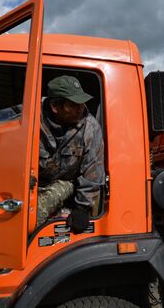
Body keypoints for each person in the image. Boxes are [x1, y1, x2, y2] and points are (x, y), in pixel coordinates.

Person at [37, 75, 105, 233]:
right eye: (74, 104)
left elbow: (93, 171)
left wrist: (82, 207)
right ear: (55, 106)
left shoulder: (90, 128)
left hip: (66, 182)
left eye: (82, 102)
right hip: (32, 183)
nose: (81, 108)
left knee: (37, 212)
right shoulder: (30, 117)